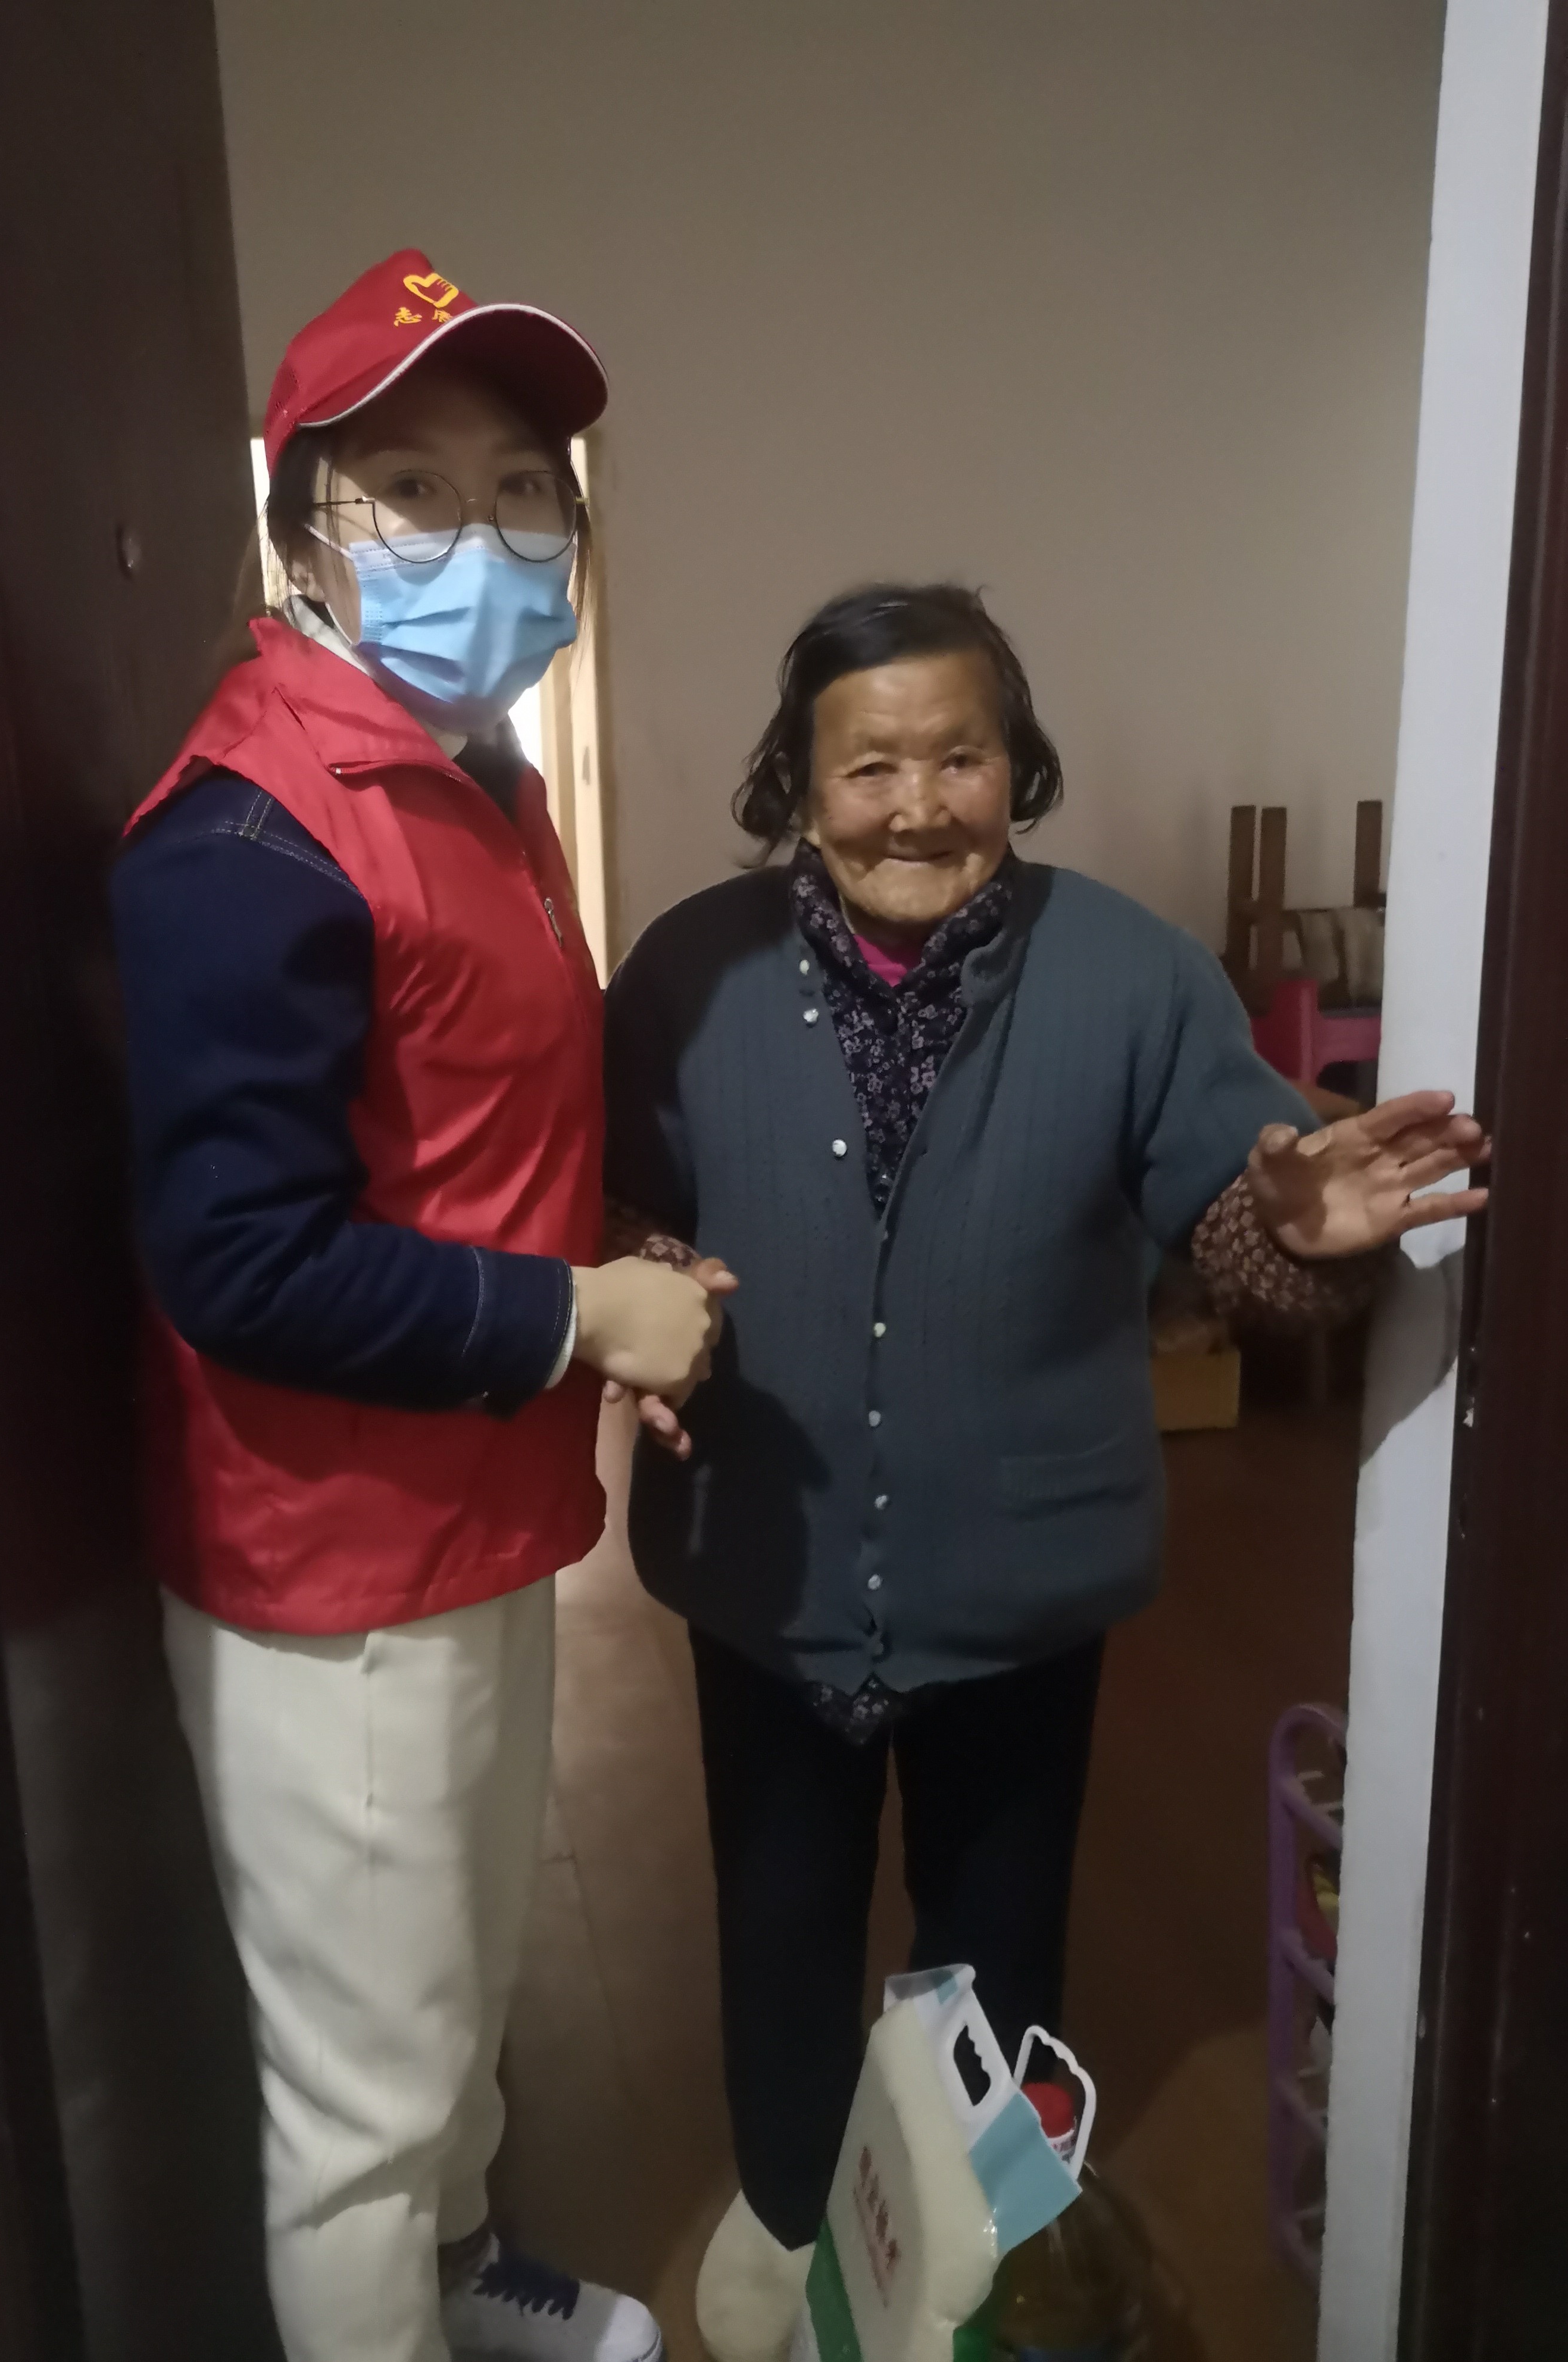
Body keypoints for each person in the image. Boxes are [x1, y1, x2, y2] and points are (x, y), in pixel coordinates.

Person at [601, 582, 1489, 2362]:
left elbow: (1238, 1222)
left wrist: (1293, 1229)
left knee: (998, 1931)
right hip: (765, 1552)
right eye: (868, 766)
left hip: (1023, 1576)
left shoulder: (1136, 974)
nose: (916, 805)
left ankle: (975, 2243)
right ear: (798, 784)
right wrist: (645, 1282)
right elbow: (617, 1207)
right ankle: (793, 2212)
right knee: (780, 1916)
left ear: (1018, 766)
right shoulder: (689, 968)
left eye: (962, 757)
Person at [112, 251, 721, 2362]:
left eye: (523, 489)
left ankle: (466, 2280)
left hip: (474, 1513)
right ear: (303, 534)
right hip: (333, 1562)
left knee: (455, 1994)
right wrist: (582, 1322)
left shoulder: (482, 785)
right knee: (360, 2106)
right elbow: (240, 1258)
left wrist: (624, 1261)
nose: (486, 536)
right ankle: (407, 2274)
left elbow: (475, 1131)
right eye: (416, 491)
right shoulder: (249, 835)